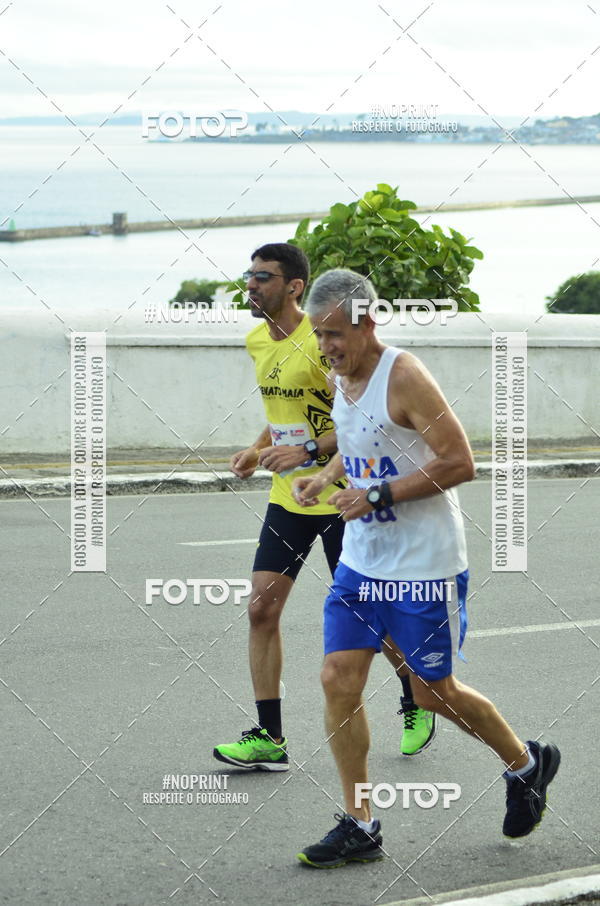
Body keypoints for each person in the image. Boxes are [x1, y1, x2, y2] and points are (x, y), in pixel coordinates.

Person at [294, 268, 561, 867]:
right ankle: (360, 822)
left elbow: (460, 461)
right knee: (338, 679)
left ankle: (525, 764)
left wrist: (377, 496)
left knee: (433, 694)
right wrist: (325, 476)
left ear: (367, 321)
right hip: (363, 564)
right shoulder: (343, 376)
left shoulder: (404, 375)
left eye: (335, 333)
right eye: (319, 335)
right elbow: (357, 441)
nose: (327, 346)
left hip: (424, 567)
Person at [213, 244, 436, 772]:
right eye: (248, 276)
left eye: (263, 278)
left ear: (293, 287)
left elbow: (358, 420)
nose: (251, 286)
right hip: (290, 496)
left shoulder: (322, 344)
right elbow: (283, 413)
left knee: (370, 620)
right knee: (261, 609)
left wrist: (309, 451)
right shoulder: (255, 341)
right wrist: (257, 446)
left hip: (340, 496)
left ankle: (416, 699)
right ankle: (269, 737)